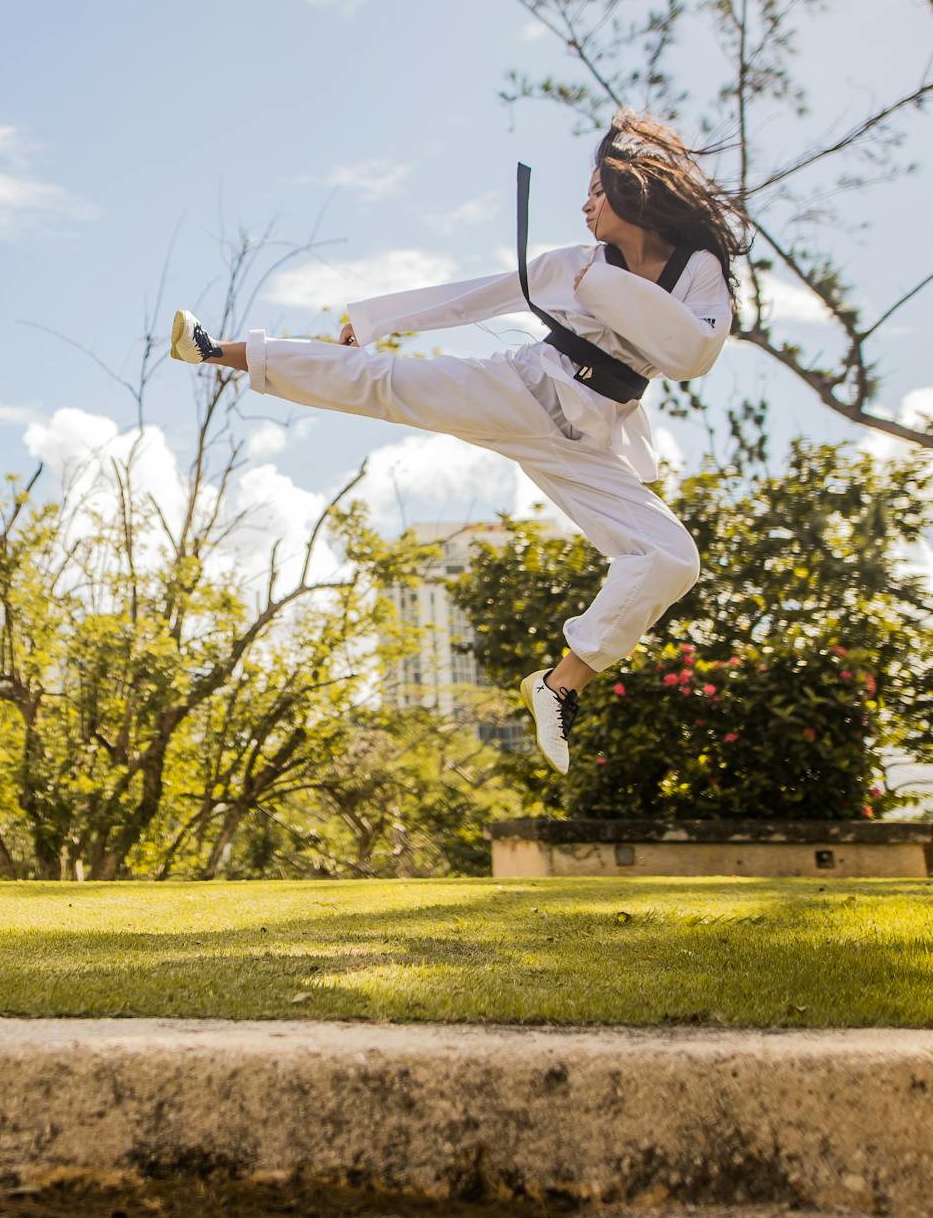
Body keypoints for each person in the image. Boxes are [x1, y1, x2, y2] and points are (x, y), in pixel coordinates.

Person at [168, 111, 747, 775]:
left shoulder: (695, 270)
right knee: (384, 385)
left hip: (589, 435)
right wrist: (379, 317)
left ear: (632, 191)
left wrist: (606, 288)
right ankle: (218, 350)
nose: (585, 204)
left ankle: (558, 685)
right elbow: (479, 296)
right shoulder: (572, 265)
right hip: (526, 391)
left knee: (672, 557)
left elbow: (693, 351)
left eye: (596, 191)